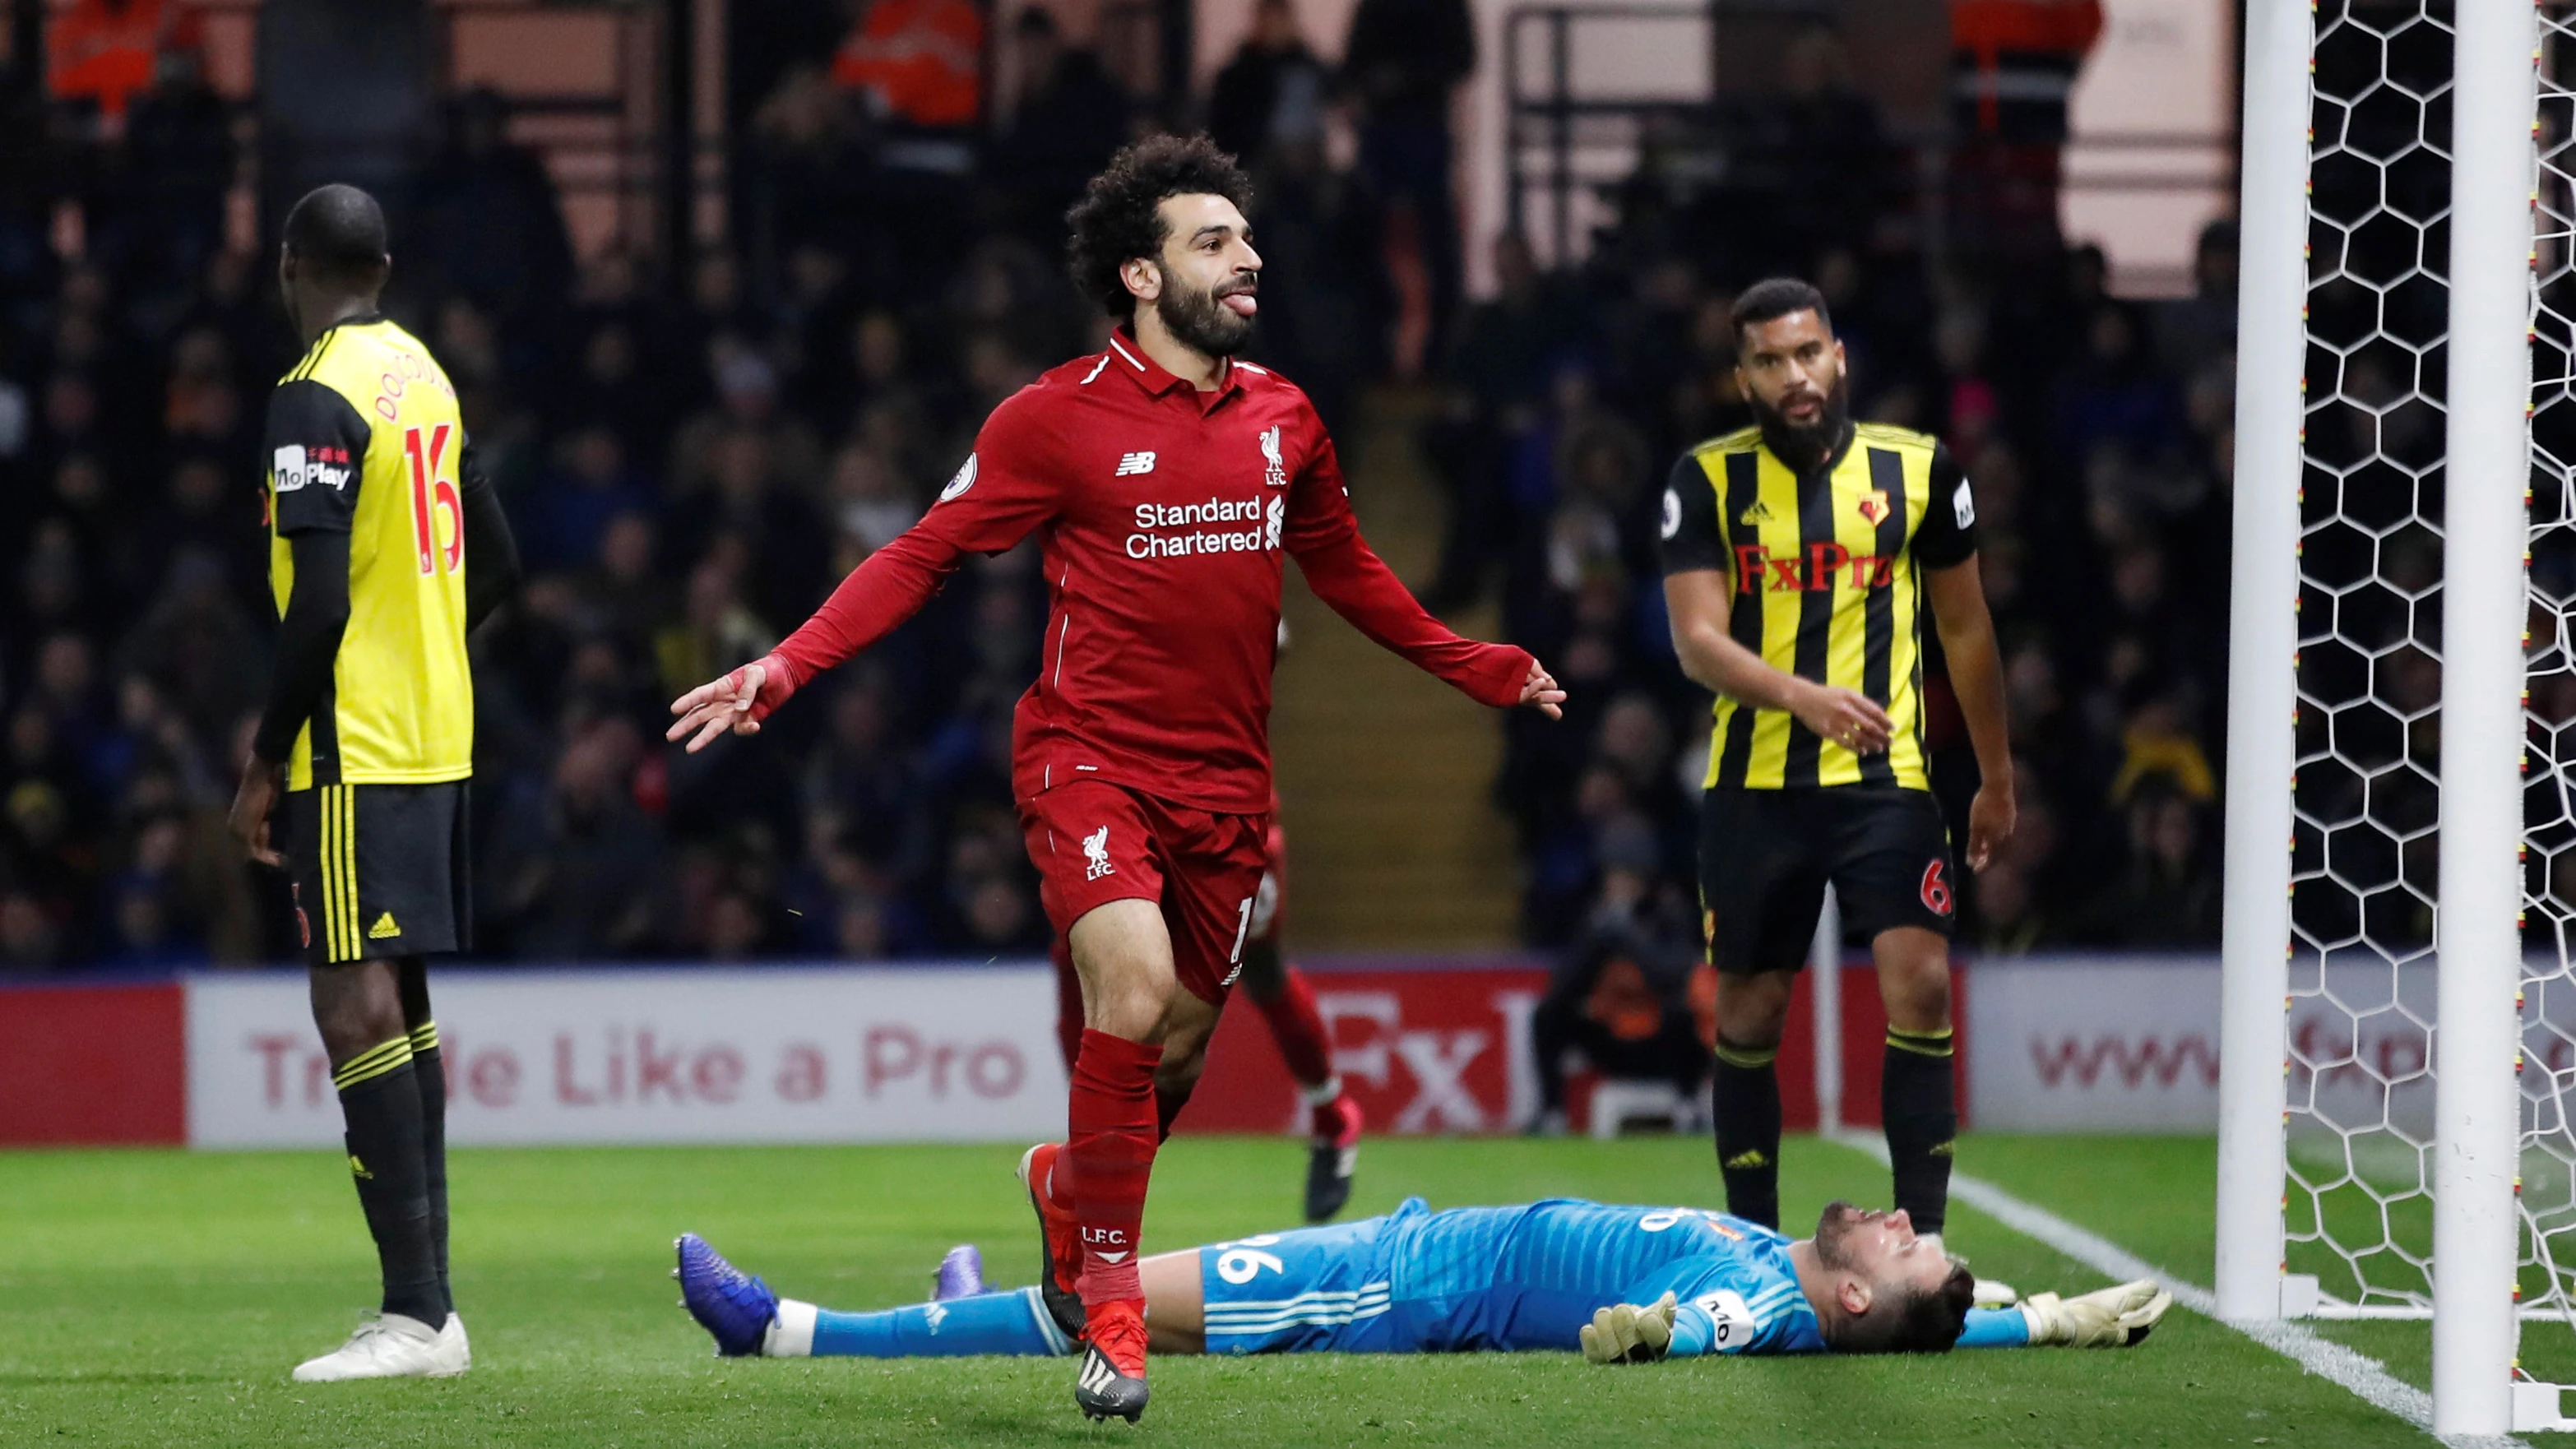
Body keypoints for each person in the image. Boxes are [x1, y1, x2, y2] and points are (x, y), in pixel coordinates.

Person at [665, 135, 1563, 1423]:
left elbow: (1347, 569)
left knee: (1173, 1057)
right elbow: (922, 554)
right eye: (1214, 241)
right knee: (1132, 990)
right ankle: (1115, 1317)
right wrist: (787, 666)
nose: (1247, 255)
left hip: (1227, 792)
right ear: (1141, 275)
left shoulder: (1286, 418)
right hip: (1088, 760)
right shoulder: (1052, 418)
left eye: (1247, 239)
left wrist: (1469, 663)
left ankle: (1067, 1193)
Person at [225, 184, 521, 1382]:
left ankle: (414, 1314)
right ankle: (430, 1312)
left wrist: (262, 759)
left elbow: (322, 602)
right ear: (384, 265)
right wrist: (431, 649)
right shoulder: (424, 375)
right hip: (434, 730)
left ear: (290, 263)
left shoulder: (316, 390)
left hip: (352, 741)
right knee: (394, 1002)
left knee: (351, 1000)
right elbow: (496, 559)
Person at [1657, 277, 2013, 1243]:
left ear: (1839, 356)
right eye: (1769, 362)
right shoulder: (1707, 480)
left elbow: (1966, 628)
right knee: (1750, 1014)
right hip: (1755, 784)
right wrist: (1806, 698)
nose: (1794, 376)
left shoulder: (1920, 469)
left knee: (1922, 982)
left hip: (1887, 780)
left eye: (1807, 353)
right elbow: (1697, 641)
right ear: (1744, 380)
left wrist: (1994, 776)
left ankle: (1924, 1241)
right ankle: (1755, 1246)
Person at [671, 1199, 2169, 1365]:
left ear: (1851, 1300)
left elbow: (1714, 1327)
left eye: (1902, 1244)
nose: (1897, 1212)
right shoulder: (1803, 1271)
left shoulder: (1770, 1301)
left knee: (1113, 1303)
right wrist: (2029, 1315)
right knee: (1125, 1289)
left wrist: (1650, 1331)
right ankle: (971, 1302)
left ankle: (789, 1333)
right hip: (1401, 1241)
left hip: (1383, 1287)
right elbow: (1915, 1317)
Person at [1046, 787, 1367, 1224]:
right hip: (1124, 818)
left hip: (1226, 822)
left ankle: (1333, 1120)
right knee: (1081, 946)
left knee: (1260, 969)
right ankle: (1088, 1139)